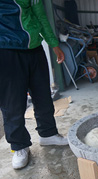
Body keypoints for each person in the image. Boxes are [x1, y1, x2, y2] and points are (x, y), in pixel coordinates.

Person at [0, 0, 68, 170]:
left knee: (42, 95)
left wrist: (53, 43)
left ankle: (48, 133)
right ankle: (19, 146)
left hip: (35, 48)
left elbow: (40, 14)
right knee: (12, 102)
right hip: (7, 48)